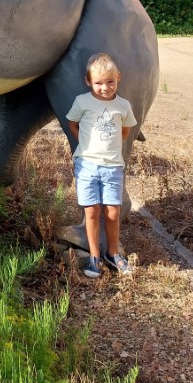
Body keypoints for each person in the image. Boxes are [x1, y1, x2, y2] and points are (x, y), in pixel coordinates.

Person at [66, 52, 137, 278]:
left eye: (110, 82)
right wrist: (85, 144)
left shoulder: (123, 105)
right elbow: (72, 124)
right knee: (92, 211)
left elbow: (125, 131)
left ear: (118, 77)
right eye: (98, 83)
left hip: (112, 166)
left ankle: (112, 253)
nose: (105, 87)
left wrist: (111, 147)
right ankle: (94, 256)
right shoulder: (82, 102)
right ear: (88, 81)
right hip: (87, 165)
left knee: (113, 212)